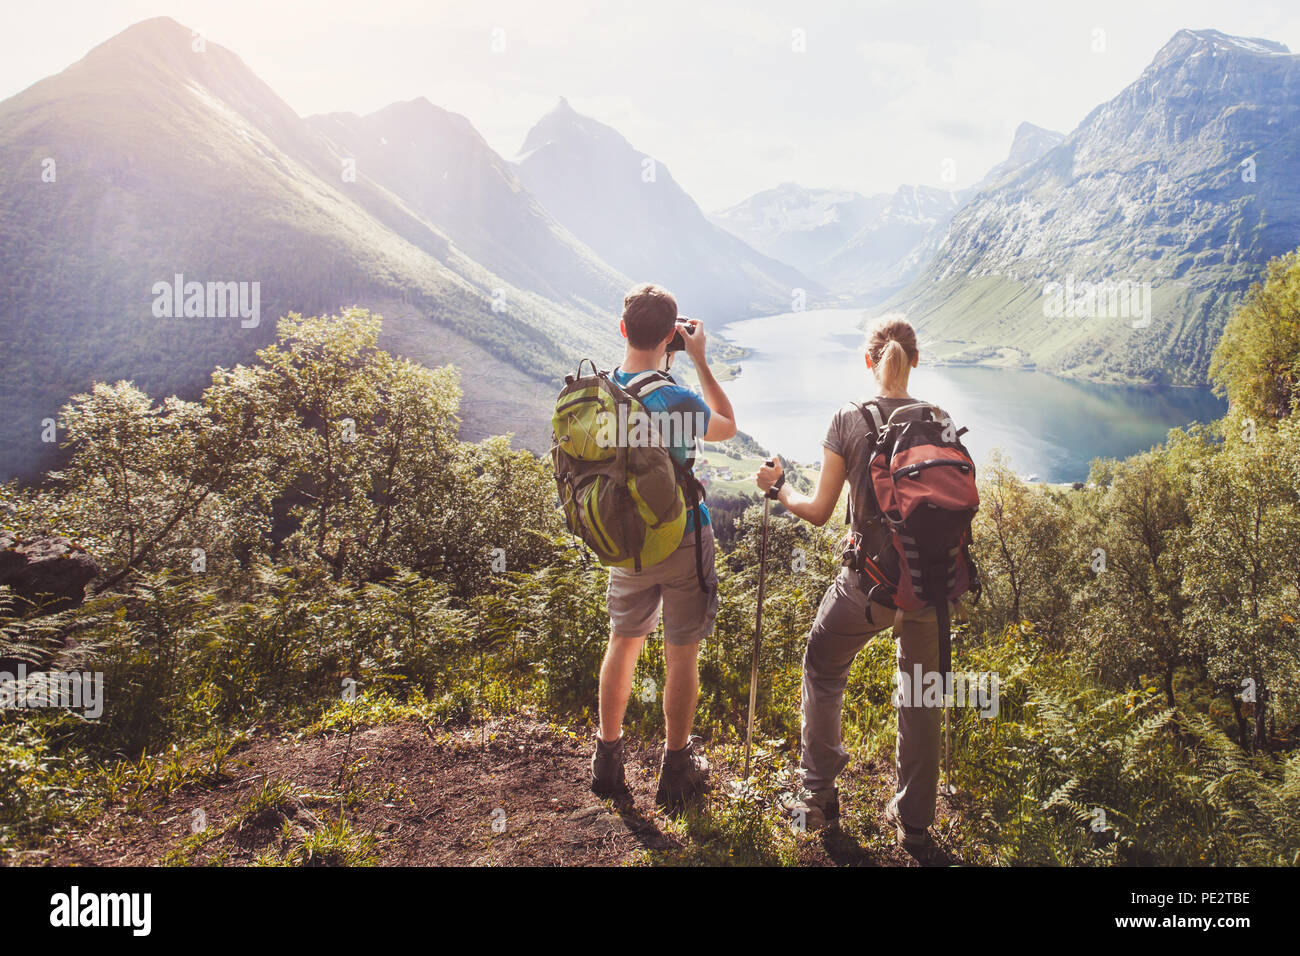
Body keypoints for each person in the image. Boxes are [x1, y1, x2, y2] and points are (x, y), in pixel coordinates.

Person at [754, 317, 947, 850]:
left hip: (868, 587)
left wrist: (779, 490)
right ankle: (915, 821)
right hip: (930, 590)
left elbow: (818, 512)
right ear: (914, 361)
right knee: (922, 695)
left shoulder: (848, 418)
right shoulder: (939, 419)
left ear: (870, 361)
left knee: (822, 666)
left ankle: (816, 801)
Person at [590, 283, 737, 812]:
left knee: (623, 642)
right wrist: (700, 361)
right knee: (681, 653)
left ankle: (607, 758)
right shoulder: (674, 396)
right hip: (681, 536)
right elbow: (727, 427)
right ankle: (675, 767)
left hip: (625, 541)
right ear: (672, 336)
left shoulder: (602, 391)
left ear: (623, 329)